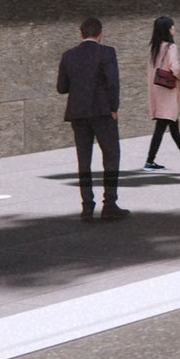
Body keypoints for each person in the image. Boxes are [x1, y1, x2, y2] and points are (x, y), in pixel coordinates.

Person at [57, 17, 126, 221]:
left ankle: (87, 205)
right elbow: (113, 82)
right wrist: (114, 107)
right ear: (100, 33)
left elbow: (61, 87)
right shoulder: (107, 53)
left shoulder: (68, 56)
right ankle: (110, 204)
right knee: (111, 156)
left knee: (84, 159)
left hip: (78, 113)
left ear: (81, 34)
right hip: (103, 111)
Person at [142, 16, 180, 171]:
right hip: (168, 91)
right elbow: (175, 68)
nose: (174, 29)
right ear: (168, 29)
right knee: (163, 125)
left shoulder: (152, 48)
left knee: (172, 123)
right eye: (172, 27)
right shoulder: (171, 47)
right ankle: (150, 161)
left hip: (157, 91)